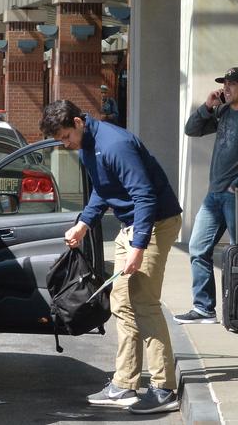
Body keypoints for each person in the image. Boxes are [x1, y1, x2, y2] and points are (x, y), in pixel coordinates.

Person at [42, 99, 183, 414]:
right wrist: (83, 223)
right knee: (121, 302)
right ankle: (124, 384)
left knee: (144, 303)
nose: (65, 144)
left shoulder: (114, 143)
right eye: (60, 140)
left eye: (66, 137)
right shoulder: (90, 145)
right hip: (132, 224)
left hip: (155, 223)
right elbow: (103, 189)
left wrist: (139, 246)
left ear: (78, 122)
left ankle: (164, 388)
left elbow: (144, 194)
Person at [175, 67, 238, 325]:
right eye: (224, 84)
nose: (226, 88)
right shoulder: (222, 112)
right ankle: (204, 308)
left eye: (231, 84)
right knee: (198, 247)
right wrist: (207, 107)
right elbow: (191, 129)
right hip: (214, 195)